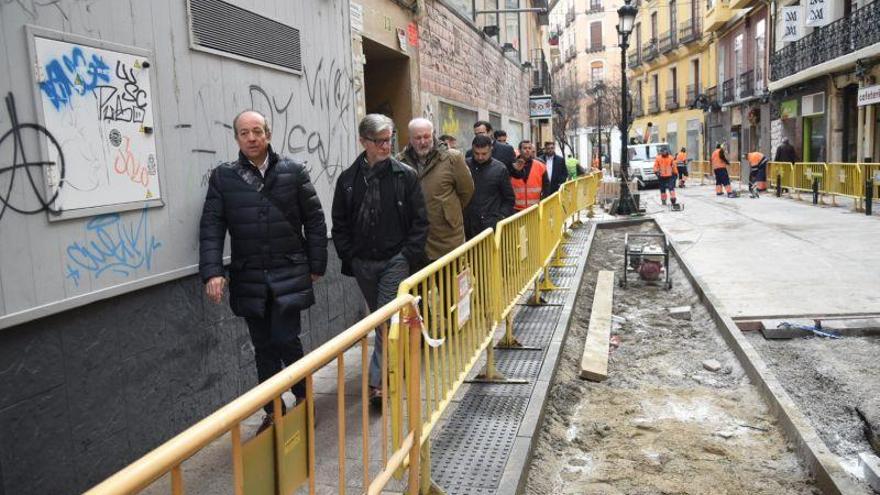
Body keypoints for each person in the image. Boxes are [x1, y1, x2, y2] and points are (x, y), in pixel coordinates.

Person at [199, 110, 328, 434]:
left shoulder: (293, 171)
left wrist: (316, 264)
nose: (251, 138)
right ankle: (273, 411)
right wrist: (213, 271)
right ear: (237, 138)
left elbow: (314, 220)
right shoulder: (223, 177)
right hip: (249, 277)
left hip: (288, 271)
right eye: (244, 133)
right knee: (263, 347)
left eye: (257, 131)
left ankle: (303, 398)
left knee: (286, 339)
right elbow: (212, 226)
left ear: (268, 134)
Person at [331, 114, 429, 405]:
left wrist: (406, 255)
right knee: (382, 321)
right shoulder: (349, 180)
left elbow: (420, 221)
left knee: (384, 319)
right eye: (380, 141)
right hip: (363, 262)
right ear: (364, 142)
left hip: (395, 260)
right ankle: (394, 365)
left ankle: (379, 383)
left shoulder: (404, 175)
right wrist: (349, 254)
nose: (387, 146)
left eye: (389, 140)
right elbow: (339, 223)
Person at [398, 118, 474, 262]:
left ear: (433, 135)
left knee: (451, 282)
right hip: (415, 240)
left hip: (447, 238)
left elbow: (467, 191)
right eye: (418, 138)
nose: (423, 142)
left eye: (426, 136)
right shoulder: (400, 162)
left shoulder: (452, 158)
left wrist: (448, 212)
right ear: (410, 139)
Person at [464, 135, 515, 239]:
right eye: (476, 153)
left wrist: (500, 218)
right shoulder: (465, 166)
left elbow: (509, 198)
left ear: (491, 150)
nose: (480, 157)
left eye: (484, 154)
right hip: (467, 225)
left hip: (490, 226)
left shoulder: (500, 169)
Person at [511, 140, 550, 210]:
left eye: (529, 148)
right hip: (515, 210)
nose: (527, 150)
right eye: (525, 148)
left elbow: (546, 186)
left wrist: (543, 201)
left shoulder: (541, 166)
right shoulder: (512, 166)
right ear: (519, 150)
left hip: (534, 209)